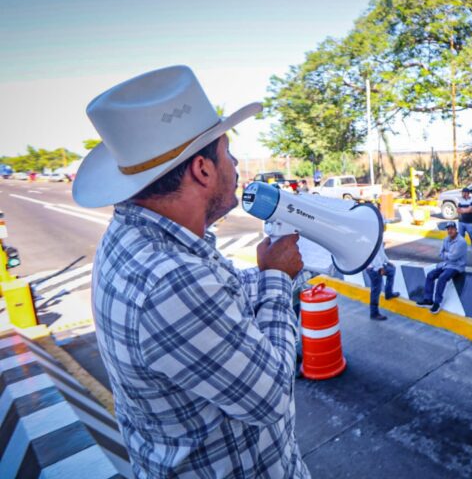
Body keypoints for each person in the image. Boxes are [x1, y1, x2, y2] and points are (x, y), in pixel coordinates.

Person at [72, 66, 309, 478]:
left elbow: (219, 298)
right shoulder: (170, 280)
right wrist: (277, 279)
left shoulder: (138, 237)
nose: (235, 165)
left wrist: (273, 272)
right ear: (202, 170)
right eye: (227, 153)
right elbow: (270, 396)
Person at [417, 222, 466, 314]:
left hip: (456, 266)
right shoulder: (446, 239)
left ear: (456, 229)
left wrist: (446, 254)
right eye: (448, 229)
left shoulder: (461, 242)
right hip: (446, 264)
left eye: (452, 228)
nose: (450, 230)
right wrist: (448, 254)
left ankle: (437, 302)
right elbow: (441, 254)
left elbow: (453, 257)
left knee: (442, 277)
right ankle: (428, 300)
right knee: (430, 275)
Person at [364, 245, 400, 320]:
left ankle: (389, 294)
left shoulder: (379, 236)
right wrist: (380, 267)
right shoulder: (373, 238)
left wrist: (387, 262)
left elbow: (381, 252)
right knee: (376, 290)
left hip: (379, 265)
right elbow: (373, 254)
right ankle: (374, 313)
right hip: (373, 268)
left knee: (391, 271)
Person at [457, 187, 472, 256]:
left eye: (463, 192)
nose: (462, 194)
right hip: (461, 222)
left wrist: (463, 210)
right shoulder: (460, 201)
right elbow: (458, 210)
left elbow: (470, 210)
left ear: (467, 193)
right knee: (461, 238)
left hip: (470, 223)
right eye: (462, 192)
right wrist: (466, 210)